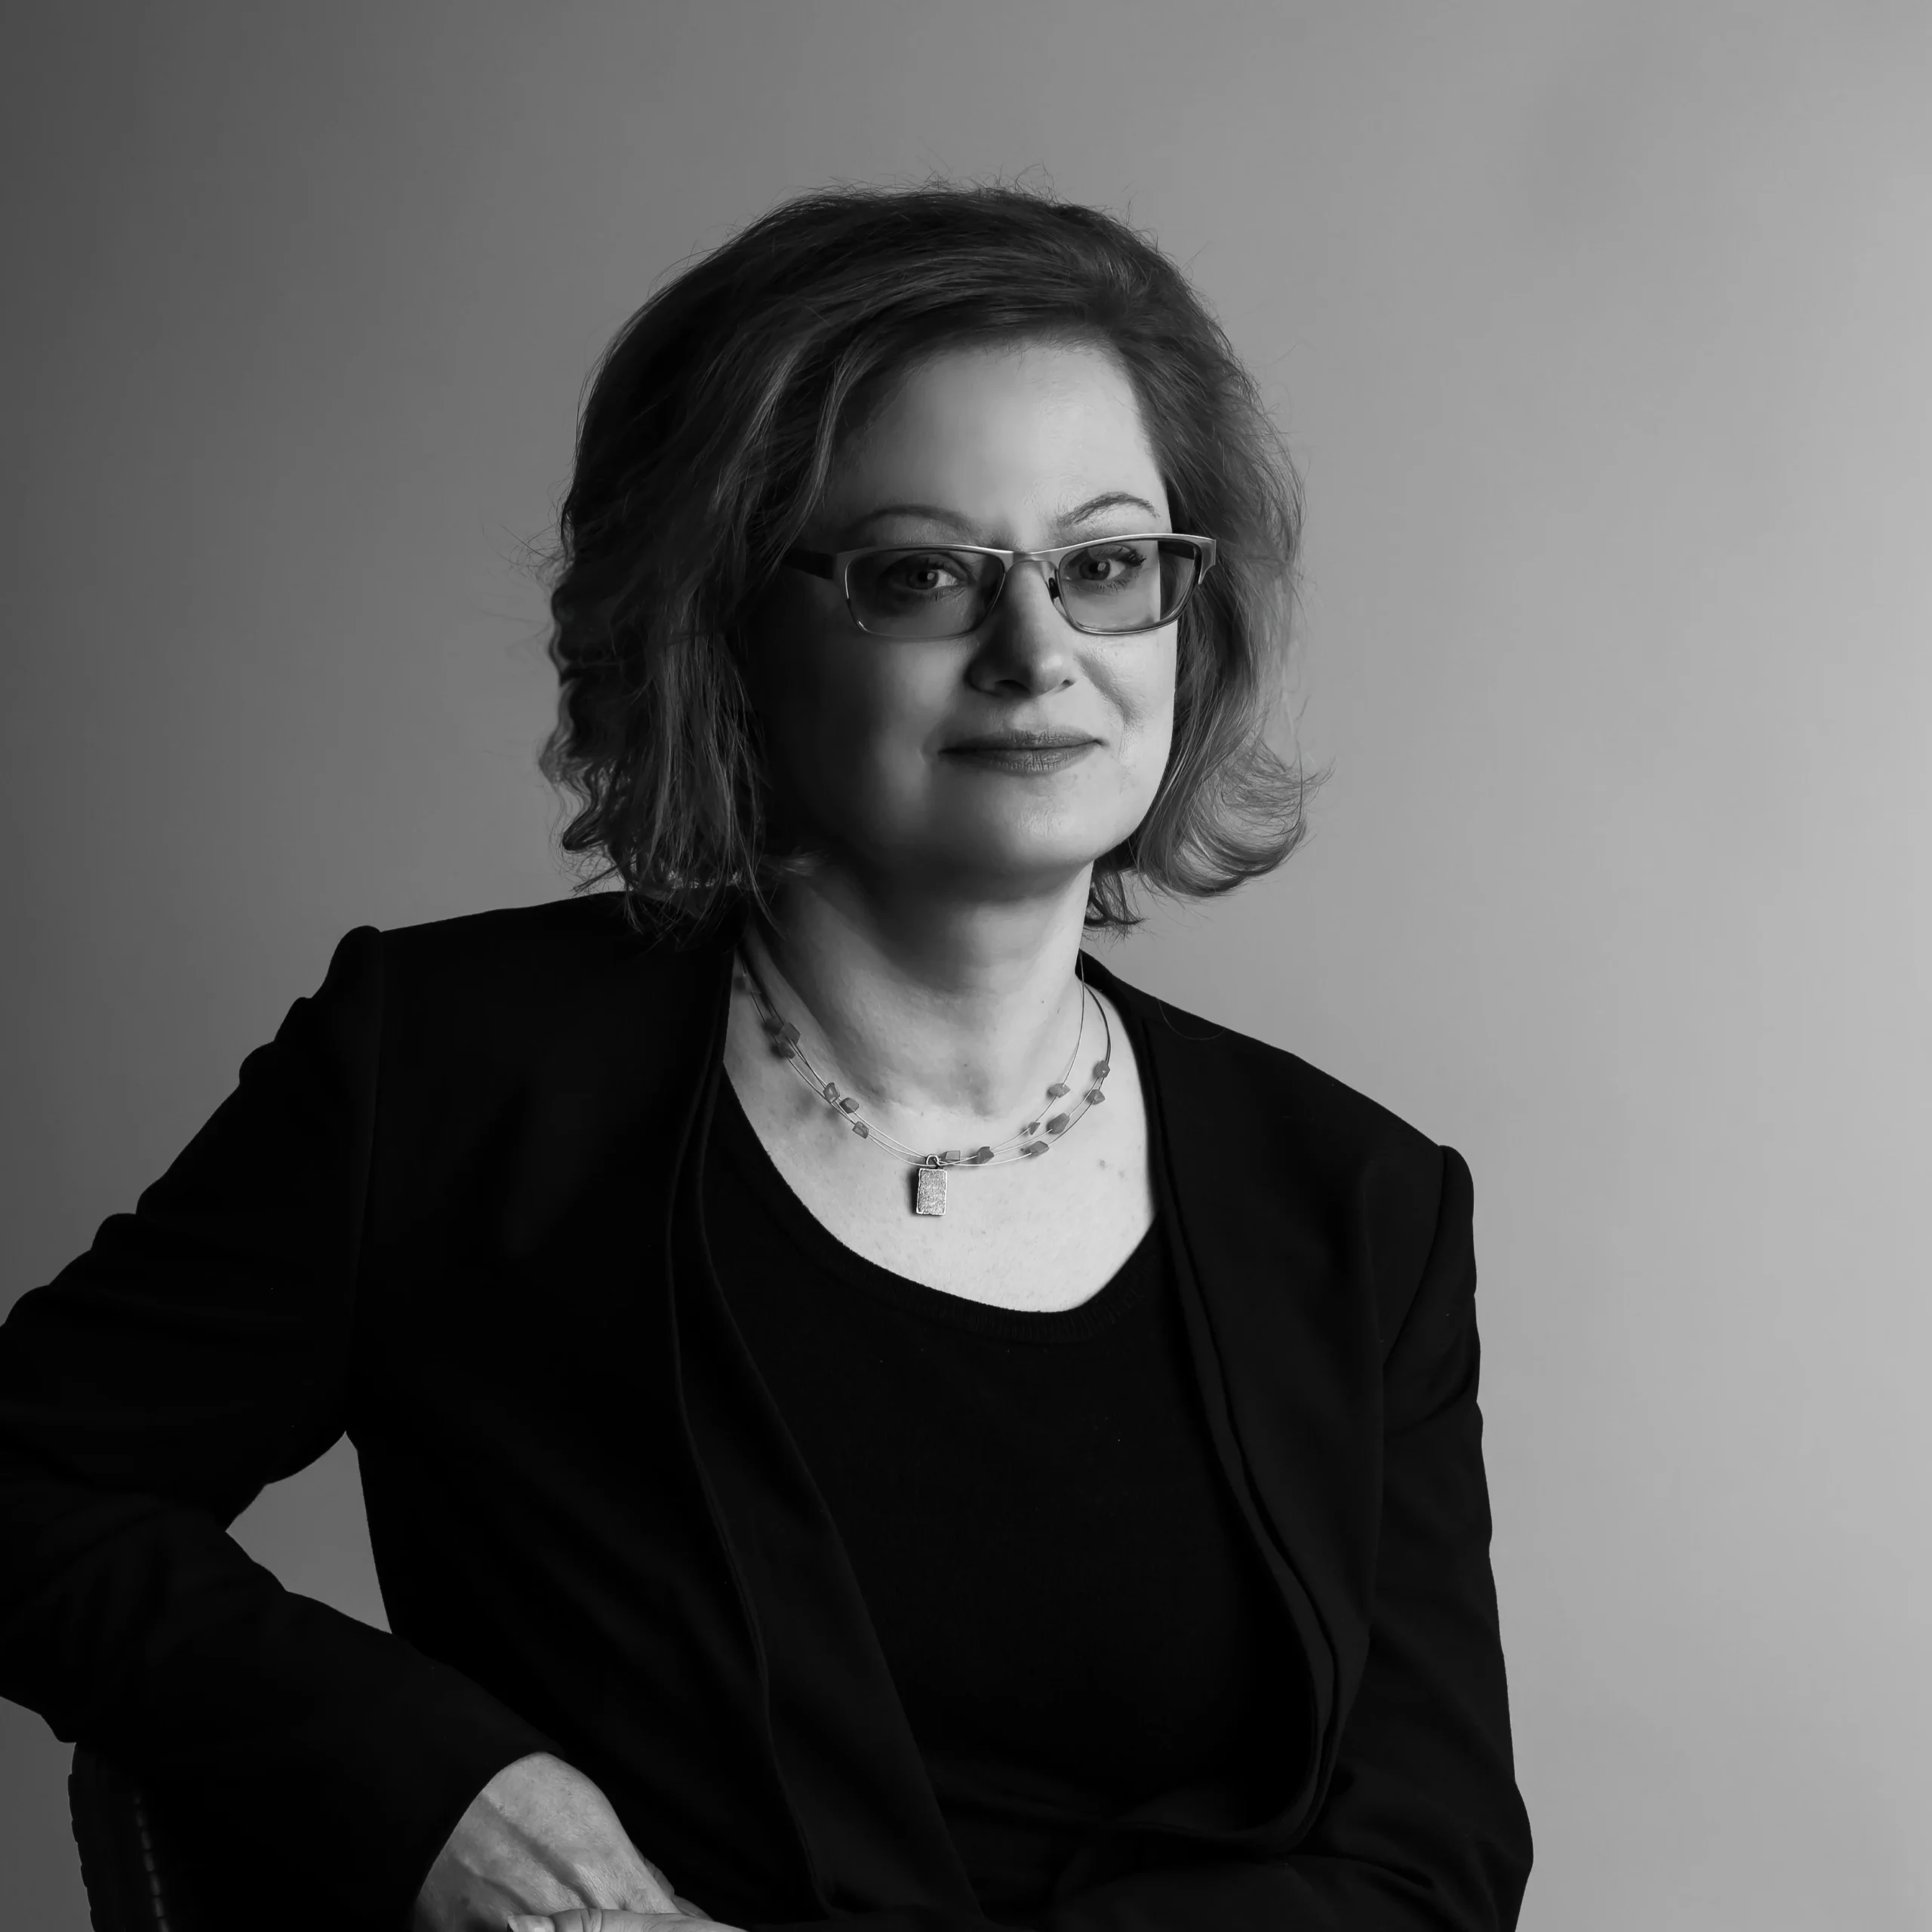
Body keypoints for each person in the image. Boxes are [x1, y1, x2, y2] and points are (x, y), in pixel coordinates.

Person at [0, 183, 1531, 1932]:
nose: (1039, 656)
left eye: (1104, 566)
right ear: (725, 629)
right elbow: (26, 1483)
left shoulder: (1355, 1200)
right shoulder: (451, 1077)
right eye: (922, 575)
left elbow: (1428, 1867)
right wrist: (447, 1797)